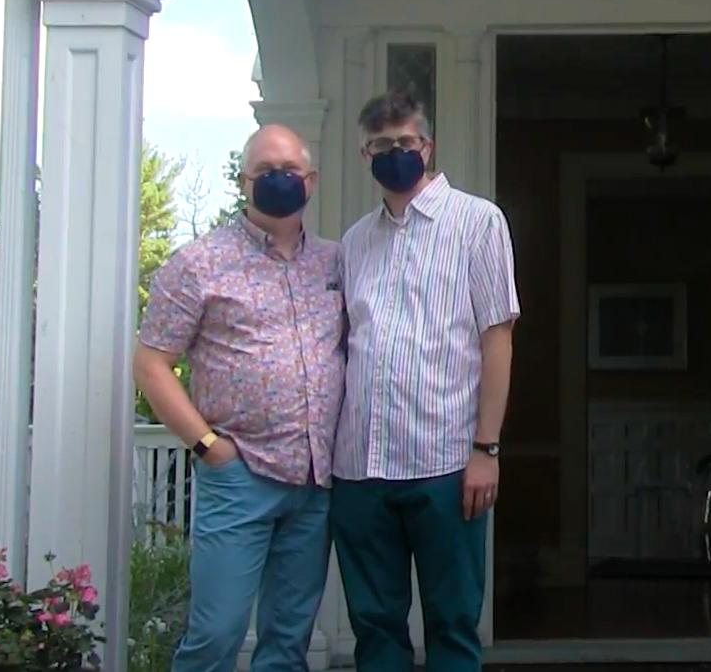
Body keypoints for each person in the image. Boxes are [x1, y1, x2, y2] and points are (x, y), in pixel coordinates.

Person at [134, 124, 345, 672]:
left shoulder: (335, 263)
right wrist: (207, 446)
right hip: (239, 477)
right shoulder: (198, 263)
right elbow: (152, 363)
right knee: (216, 633)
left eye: (290, 172)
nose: (278, 182)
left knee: (287, 641)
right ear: (243, 181)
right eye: (264, 173)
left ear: (311, 181)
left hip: (314, 483)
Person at [331, 90, 520, 672]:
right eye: (381, 146)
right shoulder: (354, 242)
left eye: (405, 143)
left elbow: (497, 338)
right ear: (366, 155)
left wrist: (486, 450)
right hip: (360, 466)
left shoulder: (478, 221)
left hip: (446, 463)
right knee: (376, 630)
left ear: (427, 146)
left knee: (453, 624)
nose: (395, 153)